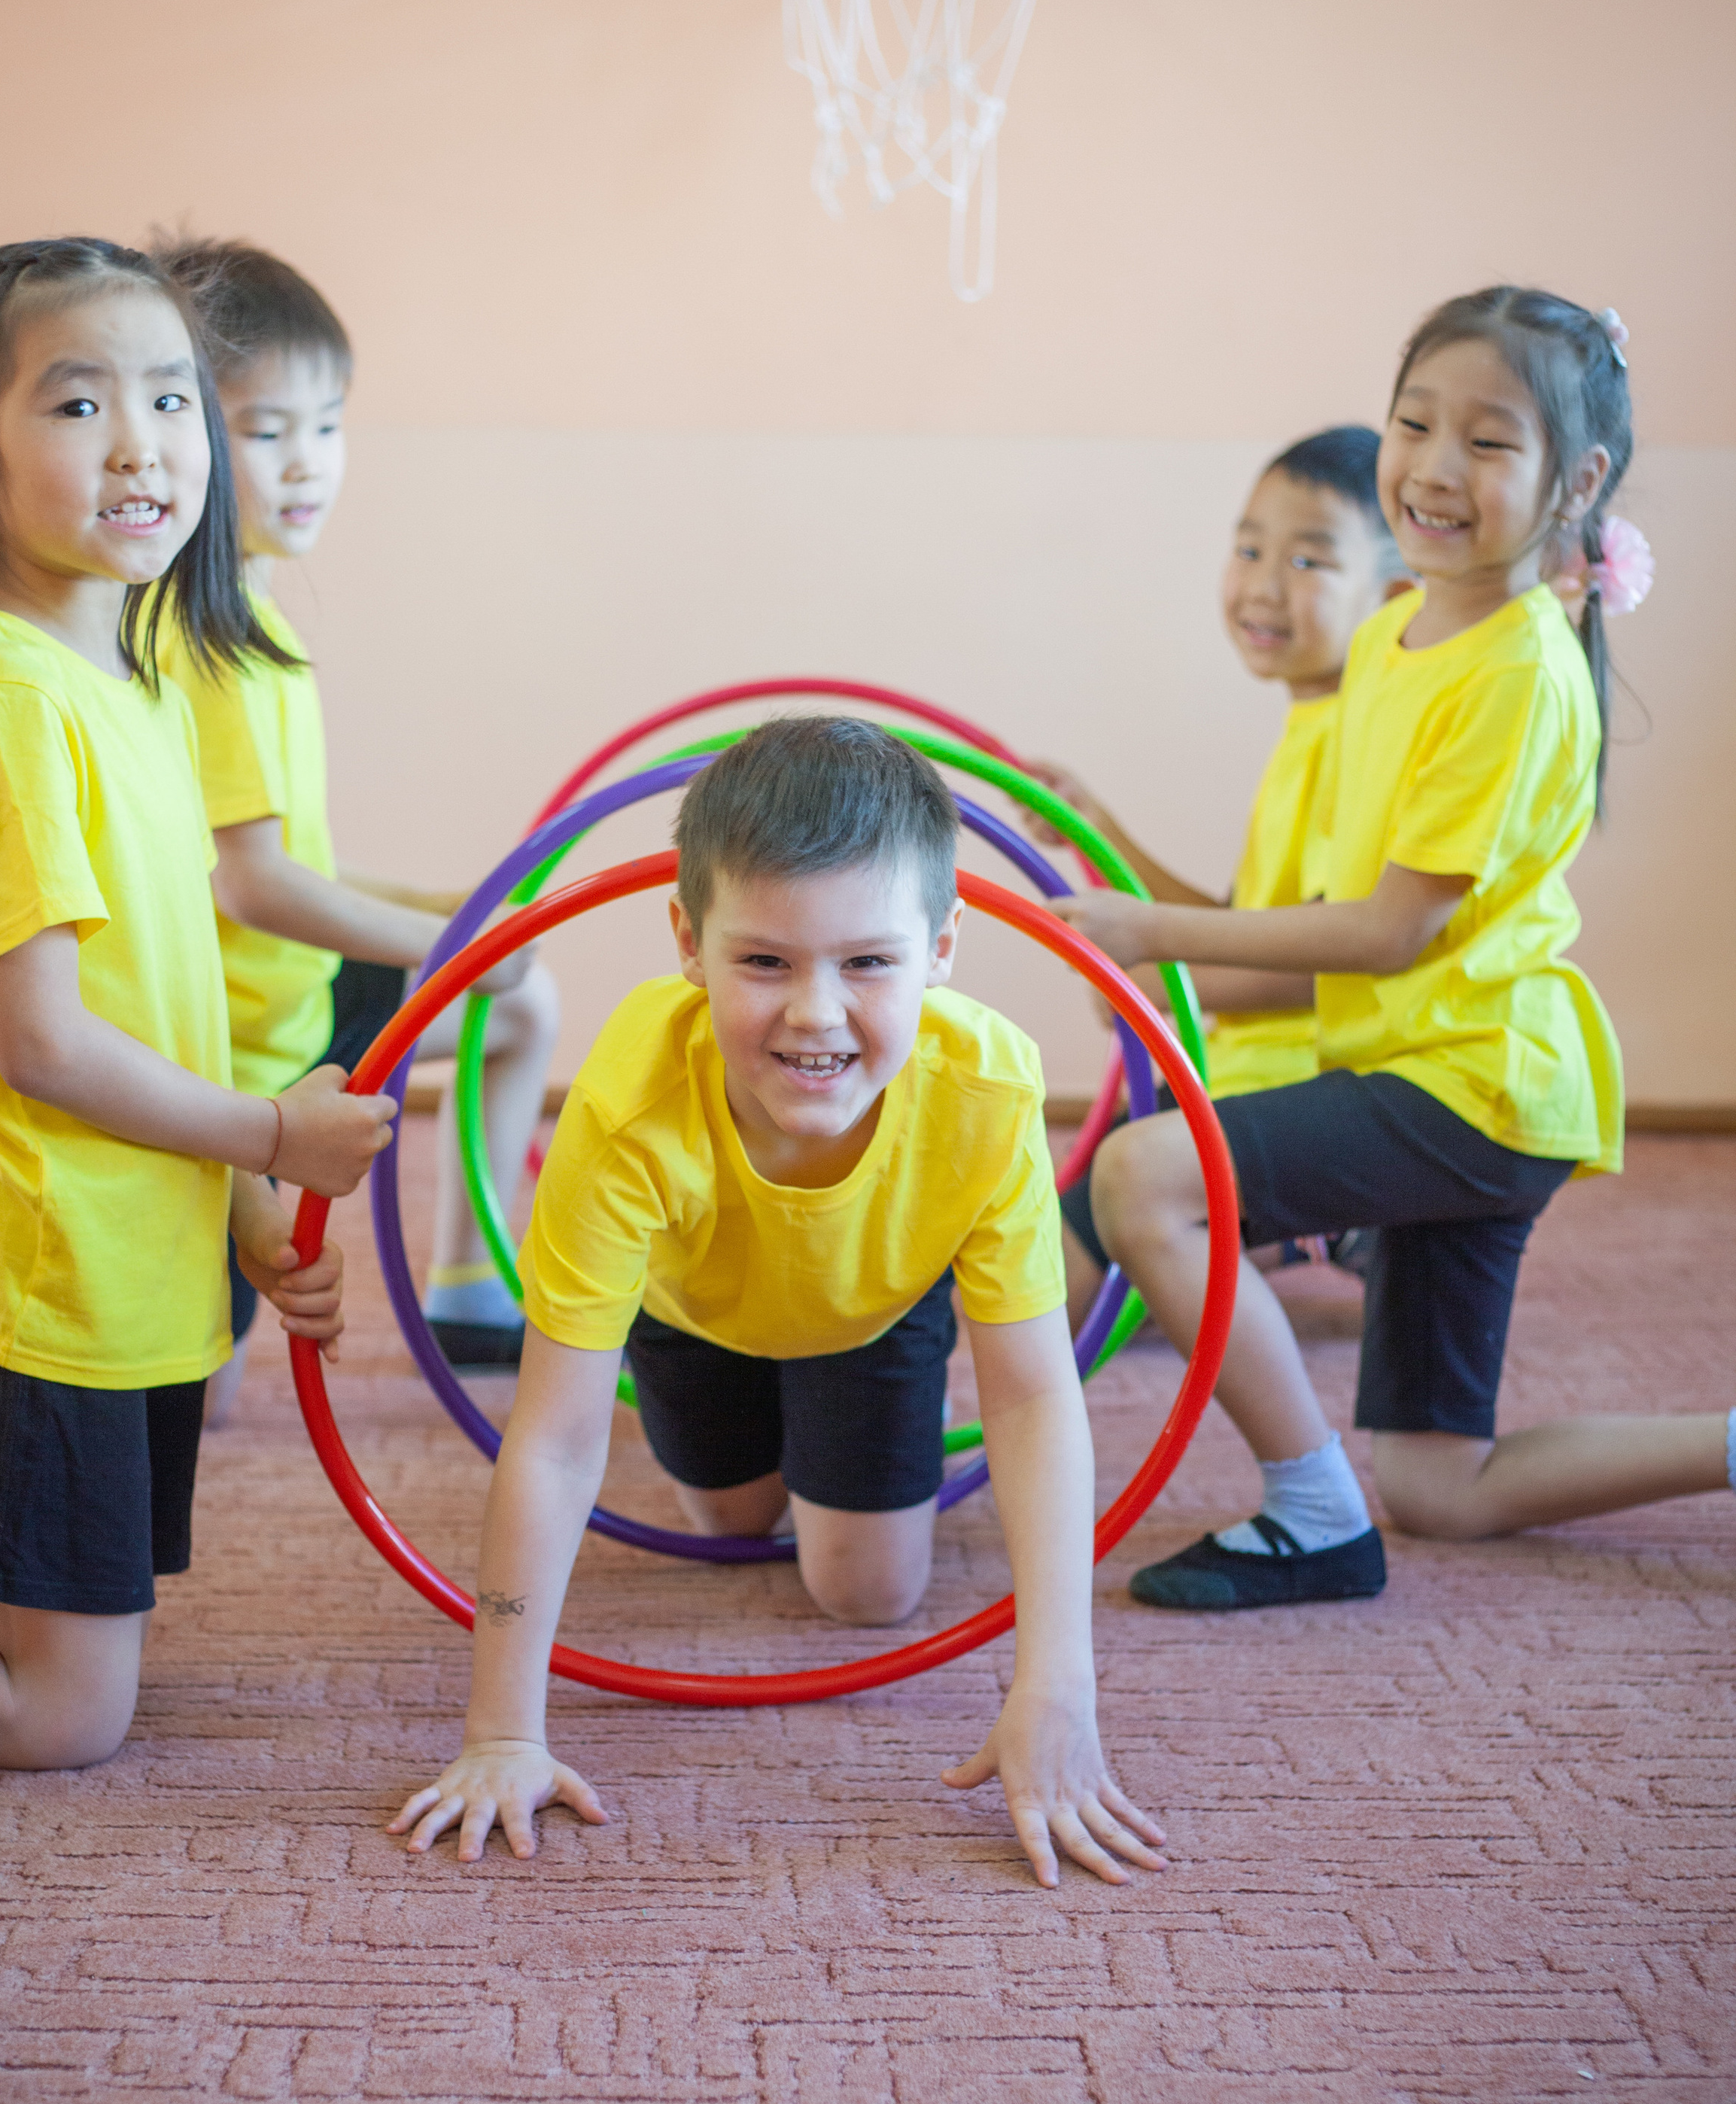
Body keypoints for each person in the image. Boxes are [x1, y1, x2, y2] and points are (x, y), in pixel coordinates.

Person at [388, 718, 1169, 1890]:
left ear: (943, 948)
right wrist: (503, 1732)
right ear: (689, 946)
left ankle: (848, 1442)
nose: (815, 1013)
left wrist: (1055, 1683)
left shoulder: (986, 1095)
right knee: (730, 1527)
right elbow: (551, 1439)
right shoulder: (625, 1109)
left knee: (866, 1593)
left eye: (867, 962)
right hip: (694, 1309)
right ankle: (764, 1431)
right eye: (765, 962)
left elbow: (1027, 1395)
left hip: (874, 1308)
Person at [0, 239, 394, 1769]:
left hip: (129, 1268)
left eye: (173, 402)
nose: (144, 446)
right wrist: (273, 1126)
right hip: (49, 1281)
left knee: (7, 1604)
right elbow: (47, 1043)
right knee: (65, 1713)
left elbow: (167, 1004)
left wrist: (249, 1213)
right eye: (78, 408)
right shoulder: (13, 701)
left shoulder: (129, 675)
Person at [1058, 286, 1733, 1610]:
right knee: (1439, 1484)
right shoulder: (1391, 637)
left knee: (1147, 1180)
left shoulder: (1520, 669)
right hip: (1444, 1076)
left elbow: (1385, 931)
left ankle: (1311, 1515)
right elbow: (1329, 913)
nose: (1433, 465)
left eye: (1488, 441)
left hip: (1471, 1082)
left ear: (1574, 479)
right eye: (1414, 422)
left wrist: (1155, 935)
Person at [148, 239, 561, 1410]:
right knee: (195, 1391)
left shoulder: (255, 610)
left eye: (327, 426)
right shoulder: (207, 638)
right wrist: (442, 946)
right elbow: (253, 887)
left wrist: (443, 912)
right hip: (219, 1055)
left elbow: (290, 867)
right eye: (266, 429)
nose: (307, 463)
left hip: (292, 996)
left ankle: (471, 1282)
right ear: (177, 427)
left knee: (521, 994)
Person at [1019, 425, 1405, 1322]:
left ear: (1390, 597)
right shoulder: (1310, 722)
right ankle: (1290, 1240)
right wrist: (1105, 830)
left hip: (1291, 1087)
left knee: (1047, 1297)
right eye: (1248, 547)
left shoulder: (1363, 736)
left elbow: (1334, 952)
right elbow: (1244, 917)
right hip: (1233, 1072)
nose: (1263, 583)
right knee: (1031, 1268)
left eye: (1308, 562)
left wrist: (1163, 978)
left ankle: (1326, 1227)